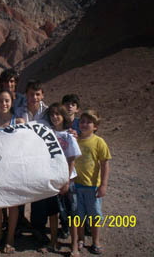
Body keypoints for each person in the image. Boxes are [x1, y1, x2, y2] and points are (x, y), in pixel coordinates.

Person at [43, 103, 82, 255]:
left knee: (72, 214)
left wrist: (66, 180)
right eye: (52, 114)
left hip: (68, 180)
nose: (54, 117)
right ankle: (53, 241)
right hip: (52, 179)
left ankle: (73, 245)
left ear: (64, 116)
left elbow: (72, 159)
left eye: (58, 114)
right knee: (53, 213)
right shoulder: (47, 133)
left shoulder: (69, 135)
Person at [0, 90, 25, 254]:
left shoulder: (19, 121)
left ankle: (10, 237)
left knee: (13, 205)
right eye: (0, 101)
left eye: (7, 101)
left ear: (11, 102)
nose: (3, 104)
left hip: (13, 168)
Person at [17, 80, 50, 246]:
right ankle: (18, 225)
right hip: (21, 158)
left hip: (41, 159)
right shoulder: (18, 111)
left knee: (39, 195)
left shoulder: (50, 113)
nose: (34, 97)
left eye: (37, 94)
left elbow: (60, 128)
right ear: (26, 95)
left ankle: (38, 228)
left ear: (42, 95)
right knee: (20, 192)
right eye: (31, 94)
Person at [74, 110, 111, 256]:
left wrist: (103, 185)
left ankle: (96, 241)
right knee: (79, 215)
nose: (84, 124)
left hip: (92, 187)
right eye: (82, 121)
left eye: (88, 122)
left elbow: (105, 164)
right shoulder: (74, 140)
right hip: (76, 186)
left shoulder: (99, 142)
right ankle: (81, 239)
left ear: (95, 126)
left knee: (94, 216)